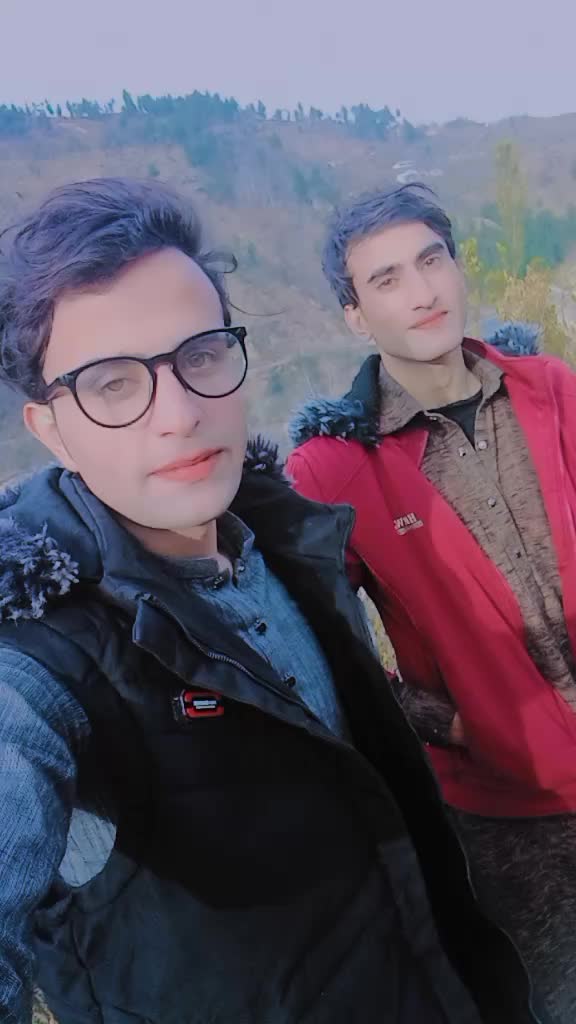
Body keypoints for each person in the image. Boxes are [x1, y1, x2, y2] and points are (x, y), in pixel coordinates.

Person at [0, 178, 536, 1023]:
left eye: (200, 355)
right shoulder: (37, 660)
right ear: (50, 427)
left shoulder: (289, 538)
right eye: (112, 384)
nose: (180, 414)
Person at [287, 182, 576, 1024]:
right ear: (355, 315)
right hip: (506, 818)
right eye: (386, 280)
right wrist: (451, 723)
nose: (421, 291)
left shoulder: (550, 391)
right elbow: (325, 655)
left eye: (431, 259)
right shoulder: (334, 468)